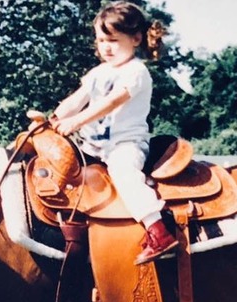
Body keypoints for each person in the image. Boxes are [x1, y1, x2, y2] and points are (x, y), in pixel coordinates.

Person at [50, 1, 176, 264]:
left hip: (125, 145)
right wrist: (55, 117)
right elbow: (78, 99)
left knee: (124, 174)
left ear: (136, 38)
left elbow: (111, 102)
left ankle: (158, 230)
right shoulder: (98, 72)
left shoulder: (136, 72)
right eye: (100, 40)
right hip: (93, 147)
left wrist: (76, 121)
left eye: (113, 40)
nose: (105, 47)